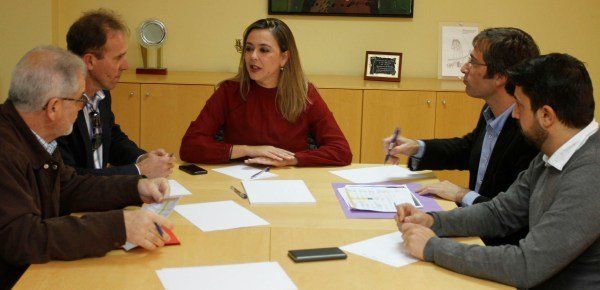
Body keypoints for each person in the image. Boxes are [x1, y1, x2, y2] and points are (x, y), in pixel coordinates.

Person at [396, 53, 599, 289]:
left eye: (520, 106)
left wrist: (432, 247)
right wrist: (432, 220)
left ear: (546, 116)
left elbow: (526, 265)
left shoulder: (590, 173)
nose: (514, 114)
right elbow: (499, 213)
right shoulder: (553, 153)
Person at [0, 46, 174, 289]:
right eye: (79, 100)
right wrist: (119, 227)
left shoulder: (33, 134)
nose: (83, 106)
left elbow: (68, 186)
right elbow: (24, 238)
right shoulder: (6, 151)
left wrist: (136, 187)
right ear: (53, 108)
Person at [383, 27, 540, 245]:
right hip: (472, 228)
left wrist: (461, 194)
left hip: (494, 244)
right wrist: (416, 147)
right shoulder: (492, 112)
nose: (464, 67)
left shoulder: (529, 134)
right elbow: (468, 148)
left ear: (500, 77)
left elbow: (510, 217)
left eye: (473, 62)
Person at [179, 18, 352, 167]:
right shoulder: (229, 91)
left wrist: (290, 160)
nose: (253, 56)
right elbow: (190, 146)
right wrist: (248, 150)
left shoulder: (304, 93)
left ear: (284, 57)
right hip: (237, 180)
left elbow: (341, 151)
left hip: (289, 182)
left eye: (264, 50)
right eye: (248, 48)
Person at [58, 9, 174, 178]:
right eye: (118, 58)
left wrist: (142, 158)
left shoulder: (101, 92)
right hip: (77, 201)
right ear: (89, 61)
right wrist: (140, 170)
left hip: (102, 197)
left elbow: (110, 138)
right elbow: (70, 178)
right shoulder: (59, 103)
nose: (125, 65)